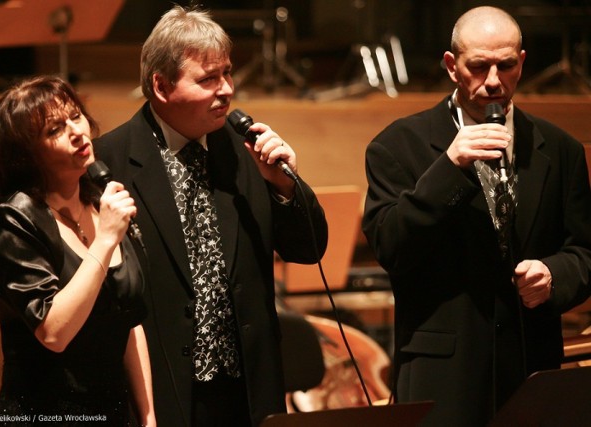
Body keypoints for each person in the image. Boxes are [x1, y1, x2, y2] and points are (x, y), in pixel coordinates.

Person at [93, 5, 328, 427]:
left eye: (227, 73)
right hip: (162, 395)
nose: (226, 90)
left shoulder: (246, 150)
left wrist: (285, 187)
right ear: (161, 86)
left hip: (246, 393)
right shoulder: (110, 160)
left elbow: (308, 249)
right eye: (207, 79)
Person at [362, 6, 591, 427]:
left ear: (521, 62)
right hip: (443, 374)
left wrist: (554, 274)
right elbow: (391, 247)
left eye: (505, 66)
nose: (493, 81)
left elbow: (584, 251)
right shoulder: (397, 145)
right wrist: (449, 168)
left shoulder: (561, 150)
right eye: (478, 66)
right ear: (452, 66)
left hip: (531, 367)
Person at [0, 76, 156, 426]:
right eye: (55, 130)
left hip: (112, 412)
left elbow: (128, 321)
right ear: (26, 154)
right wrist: (106, 240)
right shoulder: (16, 219)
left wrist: (148, 416)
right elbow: (54, 332)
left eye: (76, 117)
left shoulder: (99, 199)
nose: (77, 132)